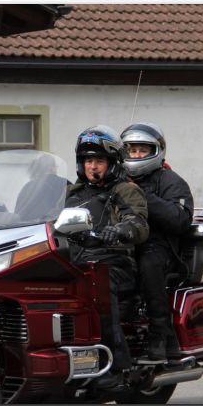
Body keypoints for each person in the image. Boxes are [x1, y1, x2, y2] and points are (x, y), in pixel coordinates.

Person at [65, 125, 149, 388]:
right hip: (77, 259)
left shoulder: (125, 190)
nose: (93, 166)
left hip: (114, 262)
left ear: (112, 163)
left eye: (99, 160)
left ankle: (115, 367)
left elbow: (139, 223)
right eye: (88, 160)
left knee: (96, 285)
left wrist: (122, 229)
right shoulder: (72, 194)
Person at [120, 122, 194, 361]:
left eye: (143, 150)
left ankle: (161, 333)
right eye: (132, 150)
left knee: (148, 264)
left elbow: (181, 219)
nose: (137, 155)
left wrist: (143, 196)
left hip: (160, 247)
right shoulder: (116, 179)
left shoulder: (171, 181)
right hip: (123, 242)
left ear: (157, 151)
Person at [15, 153, 69, 221]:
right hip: (56, 229)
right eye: (55, 166)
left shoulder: (27, 187)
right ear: (52, 168)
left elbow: (17, 216)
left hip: (28, 229)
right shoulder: (65, 183)